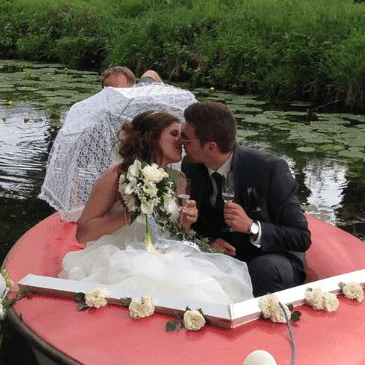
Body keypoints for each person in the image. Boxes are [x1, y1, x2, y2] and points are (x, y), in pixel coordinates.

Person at [61, 110, 254, 305]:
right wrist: (134, 211)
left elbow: (177, 234)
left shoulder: (180, 179)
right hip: (120, 256)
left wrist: (185, 221)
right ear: (152, 138)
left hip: (167, 256)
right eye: (174, 134)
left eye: (182, 135)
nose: (182, 141)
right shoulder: (117, 175)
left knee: (205, 290)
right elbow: (83, 233)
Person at [180, 101, 310, 296]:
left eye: (186, 139)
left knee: (261, 270)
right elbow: (197, 225)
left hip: (269, 257)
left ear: (210, 147)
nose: (181, 143)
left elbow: (301, 237)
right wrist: (209, 243)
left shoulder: (269, 169)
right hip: (223, 257)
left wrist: (252, 226)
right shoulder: (191, 167)